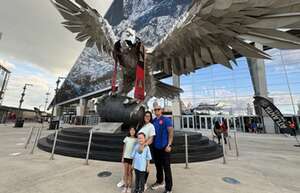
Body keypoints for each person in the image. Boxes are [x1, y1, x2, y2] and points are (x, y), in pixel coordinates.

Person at [151, 105, 174, 193]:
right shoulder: (154, 121)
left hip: (164, 148)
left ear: (161, 110)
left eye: (158, 109)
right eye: (155, 109)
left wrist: (169, 145)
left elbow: (171, 132)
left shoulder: (166, 120)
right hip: (156, 148)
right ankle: (160, 181)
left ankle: (168, 189)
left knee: (166, 168)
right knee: (158, 167)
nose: (157, 110)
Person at [137, 111, 156, 190]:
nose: (147, 117)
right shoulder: (141, 125)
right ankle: (140, 182)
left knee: (145, 167)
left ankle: (144, 183)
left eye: (148, 116)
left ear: (150, 117)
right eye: (145, 116)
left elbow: (151, 139)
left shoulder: (151, 126)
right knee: (139, 166)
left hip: (146, 148)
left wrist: (144, 145)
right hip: (139, 148)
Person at [120, 127, 137, 193]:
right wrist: (122, 157)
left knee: (130, 172)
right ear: (129, 131)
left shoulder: (136, 140)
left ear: (135, 132)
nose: (132, 131)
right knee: (125, 172)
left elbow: (136, 150)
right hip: (126, 157)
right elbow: (124, 148)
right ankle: (125, 186)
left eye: (133, 130)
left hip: (132, 158)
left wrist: (135, 159)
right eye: (131, 130)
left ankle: (129, 187)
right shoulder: (126, 138)